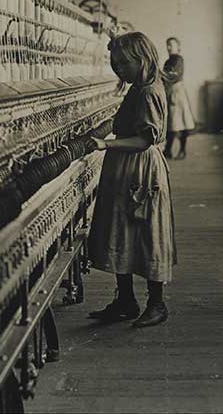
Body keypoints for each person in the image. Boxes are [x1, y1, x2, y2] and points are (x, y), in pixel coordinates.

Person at [86, 32, 178, 328]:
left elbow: (144, 140)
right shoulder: (139, 87)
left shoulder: (149, 91)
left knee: (147, 233)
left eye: (124, 63)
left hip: (140, 169)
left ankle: (157, 303)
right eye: (115, 64)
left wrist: (105, 144)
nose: (119, 70)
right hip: (126, 169)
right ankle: (125, 300)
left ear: (143, 58)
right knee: (121, 230)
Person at [163, 37, 196, 160]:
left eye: (172, 45)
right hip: (170, 92)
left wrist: (163, 76)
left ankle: (182, 150)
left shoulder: (178, 59)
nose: (169, 47)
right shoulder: (168, 61)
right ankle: (168, 150)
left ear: (178, 47)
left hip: (177, 92)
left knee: (181, 122)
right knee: (171, 123)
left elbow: (174, 76)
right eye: (168, 45)